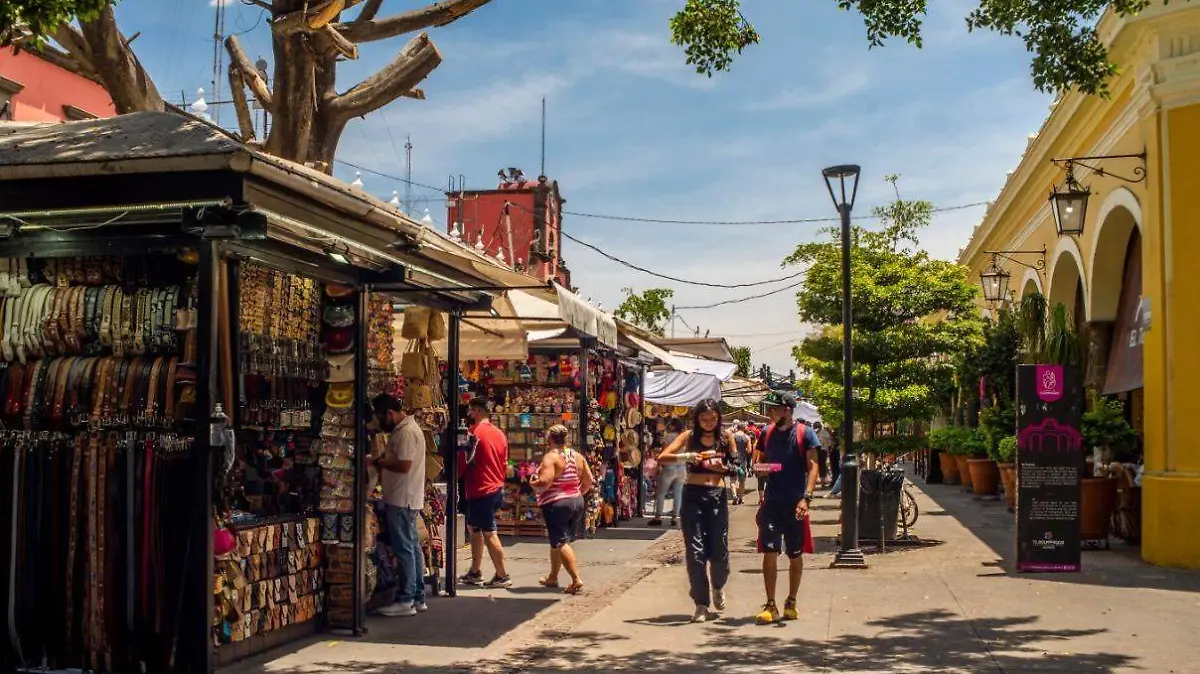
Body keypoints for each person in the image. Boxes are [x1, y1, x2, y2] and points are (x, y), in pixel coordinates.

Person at [658, 399, 735, 623]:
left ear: (719, 418)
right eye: (703, 418)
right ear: (697, 419)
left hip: (716, 497)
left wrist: (725, 469)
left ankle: (718, 586)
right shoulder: (689, 437)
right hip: (693, 495)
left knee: (719, 549)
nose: (708, 423)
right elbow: (663, 457)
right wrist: (688, 457)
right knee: (695, 551)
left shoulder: (726, 437)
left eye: (713, 418)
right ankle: (701, 603)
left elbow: (737, 466)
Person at [754, 393, 819, 625]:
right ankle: (770, 604)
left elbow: (813, 467)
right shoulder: (766, 433)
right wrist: (770, 467)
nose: (771, 413)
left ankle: (791, 601)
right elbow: (757, 464)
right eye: (770, 409)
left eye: (775, 409)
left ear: (788, 410)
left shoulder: (805, 434)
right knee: (769, 553)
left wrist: (807, 498)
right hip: (771, 502)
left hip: (796, 503)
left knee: (795, 554)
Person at [371, 394, 428, 617]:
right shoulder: (408, 428)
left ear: (390, 413)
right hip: (406, 497)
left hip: (402, 498)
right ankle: (417, 596)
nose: (380, 422)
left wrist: (378, 462)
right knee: (412, 546)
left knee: (405, 548)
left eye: (380, 417)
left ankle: (406, 599)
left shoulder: (405, 431)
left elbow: (404, 465)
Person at [529, 424, 595, 595]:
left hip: (557, 504)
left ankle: (576, 579)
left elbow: (544, 482)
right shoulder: (577, 456)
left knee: (560, 542)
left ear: (550, 439)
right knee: (556, 542)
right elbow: (589, 480)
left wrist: (532, 483)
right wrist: (576, 493)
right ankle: (552, 577)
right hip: (576, 501)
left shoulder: (551, 458)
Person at [458, 396, 512, 588]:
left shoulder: (473, 433)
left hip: (481, 489)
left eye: (470, 410)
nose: (469, 414)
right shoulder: (500, 434)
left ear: (477, 411)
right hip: (495, 487)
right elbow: (505, 462)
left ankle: (502, 575)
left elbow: (462, 461)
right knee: (474, 528)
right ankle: (475, 570)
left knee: (489, 532)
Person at [648, 418, 686, 526]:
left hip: (670, 466)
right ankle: (675, 517)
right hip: (681, 467)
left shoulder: (668, 436)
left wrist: (658, 465)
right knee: (678, 493)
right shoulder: (683, 437)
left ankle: (658, 516)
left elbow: (664, 452)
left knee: (661, 492)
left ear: (673, 426)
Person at [731, 423, 752, 505]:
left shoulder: (732, 436)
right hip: (742, 461)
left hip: (733, 460)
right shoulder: (747, 437)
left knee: (733, 480)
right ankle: (741, 498)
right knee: (742, 481)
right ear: (744, 428)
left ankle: (734, 496)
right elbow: (749, 450)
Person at [813, 421, 831, 488]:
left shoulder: (814, 432)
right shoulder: (826, 433)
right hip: (824, 451)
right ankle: (822, 483)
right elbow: (829, 442)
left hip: (816, 450)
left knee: (814, 466)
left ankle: (814, 483)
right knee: (822, 466)